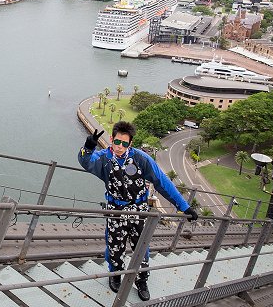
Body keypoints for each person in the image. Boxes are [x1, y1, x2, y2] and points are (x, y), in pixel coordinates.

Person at [78, 121, 198, 301]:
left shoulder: (140, 159)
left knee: (141, 247)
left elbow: (162, 182)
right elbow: (86, 162)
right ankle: (115, 274)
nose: (119, 147)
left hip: (139, 210)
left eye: (124, 143)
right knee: (114, 245)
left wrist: (184, 206)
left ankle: (141, 280)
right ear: (111, 139)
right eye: (117, 142)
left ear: (130, 143)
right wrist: (89, 146)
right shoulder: (103, 158)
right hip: (116, 209)